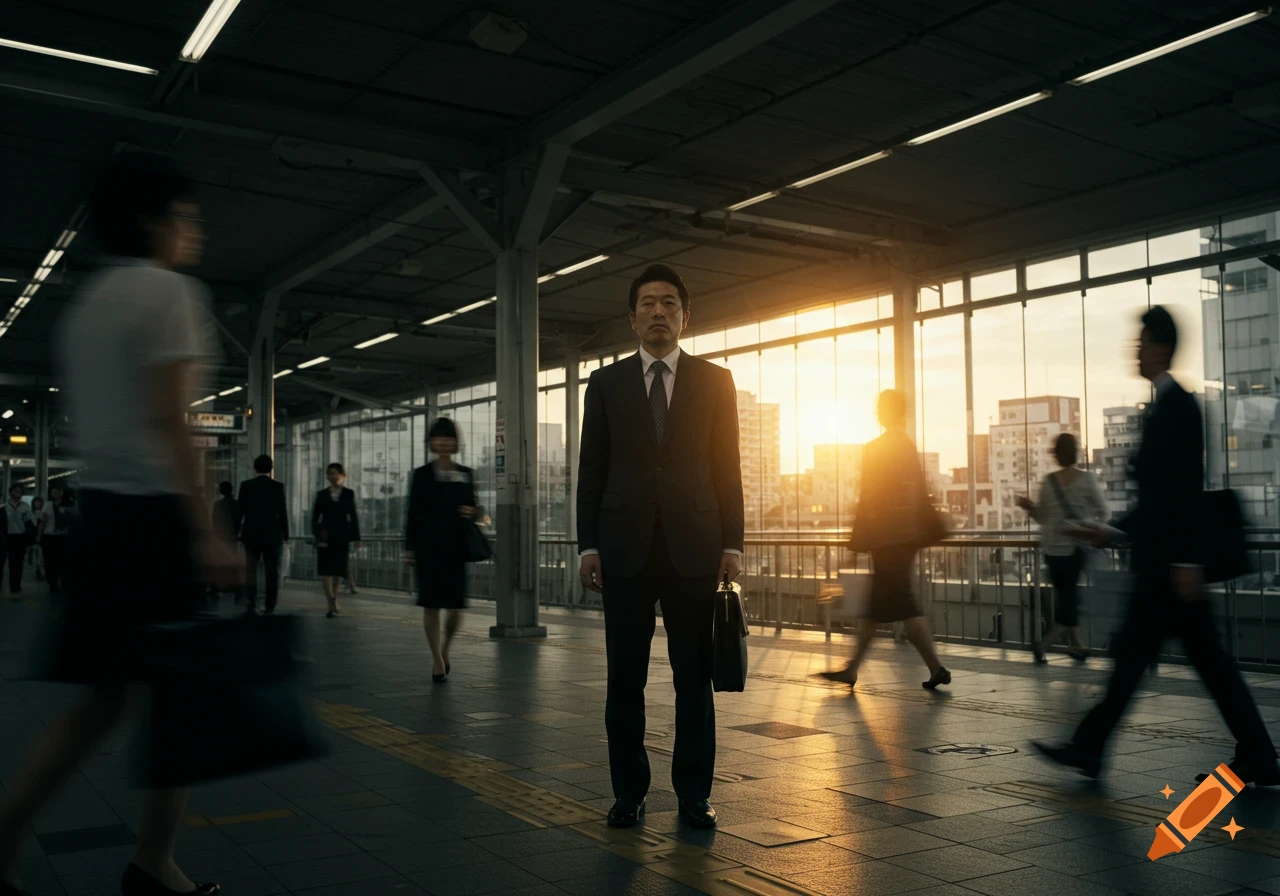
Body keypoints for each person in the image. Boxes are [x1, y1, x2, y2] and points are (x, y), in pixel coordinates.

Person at [0, 150, 235, 896]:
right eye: (186, 216)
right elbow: (173, 422)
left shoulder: (87, 307)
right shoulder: (167, 294)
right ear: (152, 221)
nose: (195, 230)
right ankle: (153, 863)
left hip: (101, 521)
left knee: (100, 705)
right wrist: (207, 531)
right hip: (153, 525)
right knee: (178, 712)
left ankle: (6, 837)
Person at [1035, 306, 1280, 784]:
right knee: (1172, 663)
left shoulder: (1179, 409)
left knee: (1174, 663)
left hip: (1170, 569)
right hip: (1163, 566)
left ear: (1161, 349)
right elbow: (1161, 497)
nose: (1136, 348)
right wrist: (1110, 532)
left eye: (1142, 341)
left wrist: (1187, 560)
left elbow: (1184, 492)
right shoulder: (1166, 407)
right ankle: (1254, 753)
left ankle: (1090, 747)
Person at [577, 264, 745, 831]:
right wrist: (587, 545)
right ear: (631, 318)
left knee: (692, 678)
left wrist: (734, 543)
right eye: (647, 303)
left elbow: (728, 468)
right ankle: (629, 792)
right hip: (622, 549)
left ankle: (693, 795)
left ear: (685, 316)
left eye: (669, 303)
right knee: (625, 678)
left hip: (695, 548)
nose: (657, 312)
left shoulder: (715, 381)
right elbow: (592, 469)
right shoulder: (605, 383)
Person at [817, 390, 951, 690]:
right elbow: (918, 493)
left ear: (885, 412)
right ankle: (856, 668)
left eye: (879, 407)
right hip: (906, 536)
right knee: (880, 605)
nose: (876, 412)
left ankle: (934, 666)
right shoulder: (906, 445)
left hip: (888, 538)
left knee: (898, 602)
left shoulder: (876, 448)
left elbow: (869, 500)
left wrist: (856, 542)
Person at [1015, 433, 1107, 663]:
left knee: (1067, 595)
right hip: (1075, 547)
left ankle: (1078, 645)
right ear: (1077, 452)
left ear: (1056, 454)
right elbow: (1104, 512)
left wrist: (1029, 507)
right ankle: (1045, 643)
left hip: (1051, 550)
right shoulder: (1087, 479)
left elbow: (1042, 518)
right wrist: (1090, 526)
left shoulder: (1048, 481)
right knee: (1069, 596)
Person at [404, 418, 477, 683]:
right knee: (432, 604)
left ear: (456, 442)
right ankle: (436, 658)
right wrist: (409, 549)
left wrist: (472, 511)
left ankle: (445, 649)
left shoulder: (466, 473)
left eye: (448, 437)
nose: (443, 441)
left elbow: (473, 506)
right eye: (438, 437)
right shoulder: (422, 474)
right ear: (431, 442)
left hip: (457, 547)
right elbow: (412, 513)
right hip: (428, 547)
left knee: (456, 606)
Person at [238, 455, 289, 616]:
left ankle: (251, 603)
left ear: (255, 468)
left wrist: (237, 533)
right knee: (272, 571)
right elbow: (282, 513)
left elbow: (241, 511)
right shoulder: (277, 487)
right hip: (272, 534)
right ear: (271, 468)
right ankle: (270, 604)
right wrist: (286, 535)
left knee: (250, 570)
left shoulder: (246, 486)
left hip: (251, 534)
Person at [313, 463, 359, 618]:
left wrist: (356, 537)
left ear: (342, 475)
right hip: (325, 536)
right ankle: (330, 601)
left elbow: (353, 516)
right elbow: (314, 517)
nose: (332, 476)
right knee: (326, 570)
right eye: (329, 473)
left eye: (335, 473)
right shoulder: (321, 495)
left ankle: (335, 598)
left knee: (339, 570)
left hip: (342, 537)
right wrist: (317, 533)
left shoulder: (348, 494)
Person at [35, 486, 74, 595]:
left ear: (62, 492)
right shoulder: (47, 505)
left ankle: (64, 583)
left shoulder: (68, 504)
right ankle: (53, 584)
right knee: (50, 562)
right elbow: (43, 522)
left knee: (64, 561)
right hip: (50, 537)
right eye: (53, 491)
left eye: (57, 491)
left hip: (63, 537)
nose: (55, 493)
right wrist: (39, 536)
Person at [2, 487, 35, 596]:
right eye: (15, 491)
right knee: (4, 561)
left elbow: (30, 522)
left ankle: (15, 586)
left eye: (19, 491)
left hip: (20, 537)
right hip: (7, 537)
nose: (18, 493)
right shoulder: (4, 507)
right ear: (10, 492)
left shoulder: (25, 507)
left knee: (17, 563)